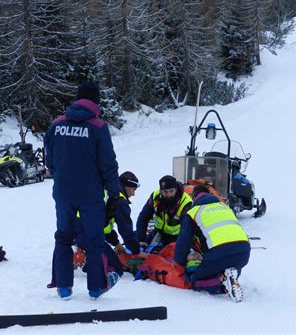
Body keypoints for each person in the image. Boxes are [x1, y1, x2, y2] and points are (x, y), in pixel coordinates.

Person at [45, 82, 121, 300]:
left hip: (63, 193)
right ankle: (95, 288)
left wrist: (61, 175)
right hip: (90, 195)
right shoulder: (98, 127)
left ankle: (64, 287)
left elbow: (50, 160)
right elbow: (108, 164)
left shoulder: (56, 124)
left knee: (63, 237)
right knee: (94, 240)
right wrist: (114, 193)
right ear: (96, 101)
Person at [173, 184, 251, 302]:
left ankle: (221, 283)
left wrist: (179, 263)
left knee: (195, 281)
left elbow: (182, 243)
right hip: (244, 253)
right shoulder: (226, 208)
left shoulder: (193, 212)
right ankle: (229, 275)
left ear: (194, 199)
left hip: (218, 254)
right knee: (227, 263)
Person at [135, 175, 192, 250]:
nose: (168, 195)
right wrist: (140, 240)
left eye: (171, 191)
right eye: (165, 192)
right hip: (159, 233)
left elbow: (186, 229)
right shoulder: (155, 197)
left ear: (176, 189)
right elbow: (143, 217)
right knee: (141, 248)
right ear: (161, 191)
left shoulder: (185, 202)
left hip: (177, 237)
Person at [105, 171, 147, 259]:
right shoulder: (119, 201)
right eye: (133, 189)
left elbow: (104, 226)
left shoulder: (108, 192)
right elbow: (126, 230)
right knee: (115, 266)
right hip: (87, 235)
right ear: (126, 187)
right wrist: (136, 251)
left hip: (78, 228)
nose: (133, 194)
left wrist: (116, 243)